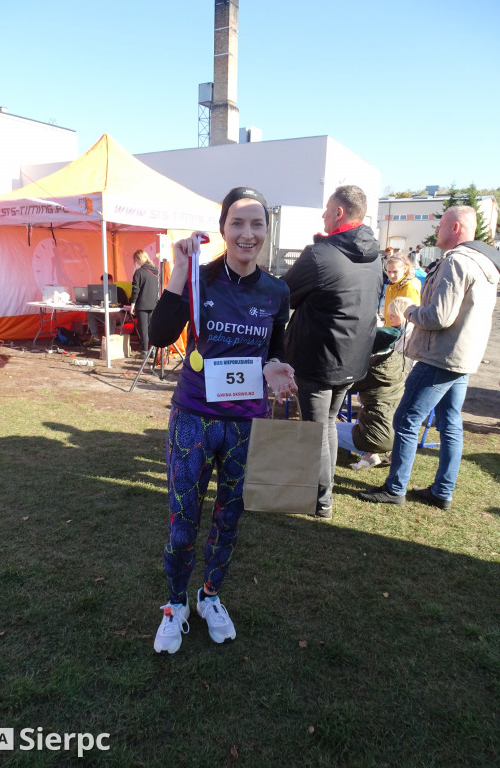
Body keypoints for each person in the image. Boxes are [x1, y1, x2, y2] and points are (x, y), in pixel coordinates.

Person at [149, 187, 297, 654]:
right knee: (183, 521)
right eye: (237, 223)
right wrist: (178, 269)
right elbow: (160, 335)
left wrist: (278, 368)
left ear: (267, 231)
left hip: (245, 425)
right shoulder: (199, 278)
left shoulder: (277, 291)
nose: (247, 234)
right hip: (194, 419)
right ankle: (175, 604)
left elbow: (275, 350)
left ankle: (209, 596)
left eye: (257, 224)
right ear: (223, 229)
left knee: (229, 518)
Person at [359, 206, 500, 509]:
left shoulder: (457, 262)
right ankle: (442, 491)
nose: (436, 230)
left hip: (439, 356)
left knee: (406, 419)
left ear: (455, 228)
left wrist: (409, 310)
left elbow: (439, 316)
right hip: (462, 357)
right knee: (450, 423)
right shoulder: (483, 263)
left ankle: (395, 488)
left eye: (441, 225)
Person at [283, 185, 383, 519]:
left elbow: (283, 294)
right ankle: (321, 494)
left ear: (339, 213)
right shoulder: (375, 255)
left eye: (327, 210)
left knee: (316, 429)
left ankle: (321, 500)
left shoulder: (320, 255)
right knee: (326, 424)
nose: (323, 215)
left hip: (318, 359)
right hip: (352, 360)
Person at [336, 326, 405, 470]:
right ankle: (371, 456)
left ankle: (370, 451)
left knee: (326, 429)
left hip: (375, 435)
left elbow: (344, 384)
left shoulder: (371, 370)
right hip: (400, 432)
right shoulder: (400, 361)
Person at [130, 250, 159, 354]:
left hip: (142, 304)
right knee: (151, 328)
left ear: (138, 259)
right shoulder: (156, 271)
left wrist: (132, 304)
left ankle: (145, 351)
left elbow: (135, 290)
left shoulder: (139, 272)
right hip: (153, 304)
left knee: (143, 329)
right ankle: (153, 351)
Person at [86, 274, 128, 344]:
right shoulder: (100, 291)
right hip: (106, 313)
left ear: (111, 281)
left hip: (123, 314)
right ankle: (95, 337)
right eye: (102, 284)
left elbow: (119, 304)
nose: (104, 286)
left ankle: (109, 339)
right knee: (90, 312)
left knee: (110, 314)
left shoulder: (119, 290)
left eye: (106, 284)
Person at [383, 253, 422, 326]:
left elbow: (412, 318)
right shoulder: (390, 287)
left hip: (401, 331)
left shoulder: (410, 287)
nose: (391, 275)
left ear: (405, 269)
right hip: (389, 329)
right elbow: (387, 315)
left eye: (395, 272)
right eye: (389, 271)